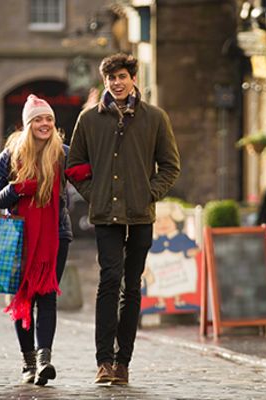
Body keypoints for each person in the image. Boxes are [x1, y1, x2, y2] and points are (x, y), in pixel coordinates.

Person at [66, 53, 180, 385]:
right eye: (111, 78)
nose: (117, 83)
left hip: (141, 215)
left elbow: (171, 167)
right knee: (109, 282)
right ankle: (103, 362)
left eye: (122, 77)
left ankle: (123, 362)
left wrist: (149, 193)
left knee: (132, 287)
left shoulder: (155, 118)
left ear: (133, 79)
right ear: (105, 82)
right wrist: (95, 194)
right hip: (105, 216)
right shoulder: (88, 120)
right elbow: (74, 166)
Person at [0, 94, 72, 386]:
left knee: (47, 296)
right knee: (23, 298)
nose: (45, 124)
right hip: (18, 236)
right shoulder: (10, 155)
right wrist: (18, 188)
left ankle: (44, 360)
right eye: (39, 119)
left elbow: (84, 175)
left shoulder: (62, 153)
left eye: (49, 119)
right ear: (28, 124)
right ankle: (28, 361)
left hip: (56, 235)